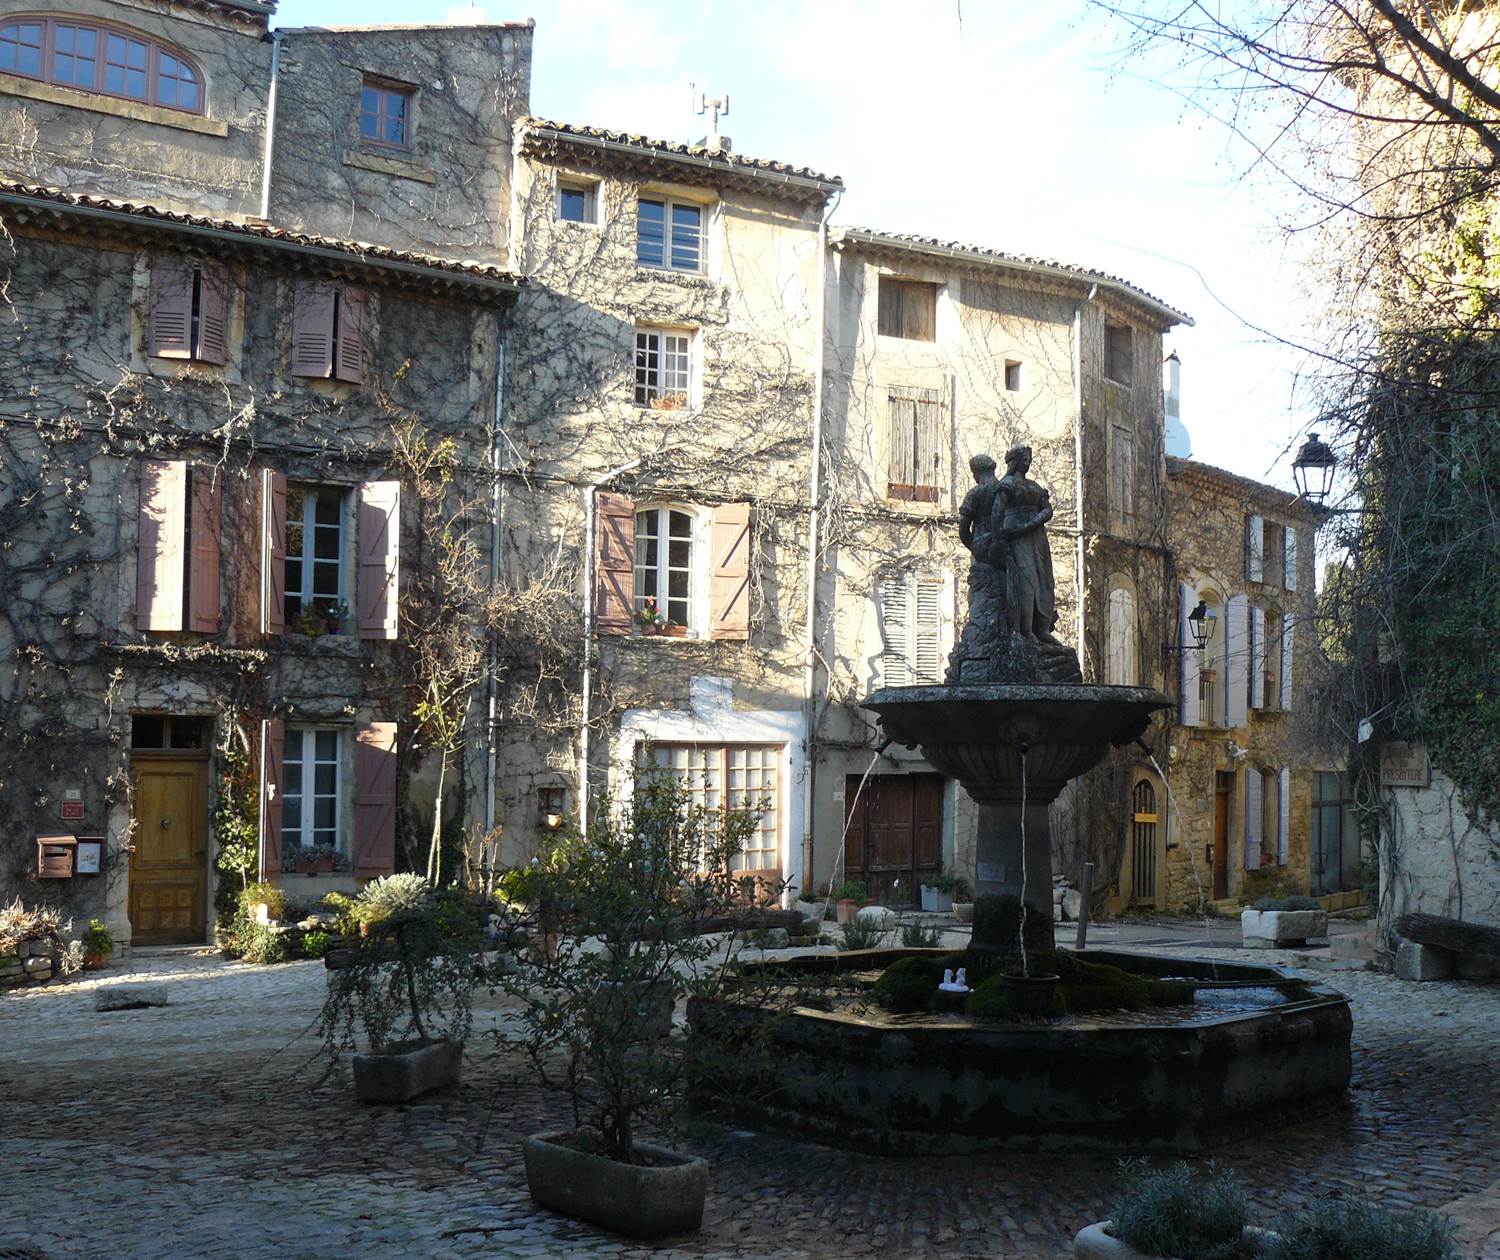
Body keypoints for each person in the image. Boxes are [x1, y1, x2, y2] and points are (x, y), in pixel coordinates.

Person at [991, 444, 1062, 644]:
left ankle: (1042, 628)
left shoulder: (1034, 486)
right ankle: (1026, 629)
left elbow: (1047, 510)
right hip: (1017, 536)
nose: (1028, 463)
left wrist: (1031, 524)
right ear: (1015, 462)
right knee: (1026, 579)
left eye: (1029, 460)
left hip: (1037, 537)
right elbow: (997, 513)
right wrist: (998, 540)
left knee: (1044, 580)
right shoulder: (1007, 484)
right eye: (1024, 460)